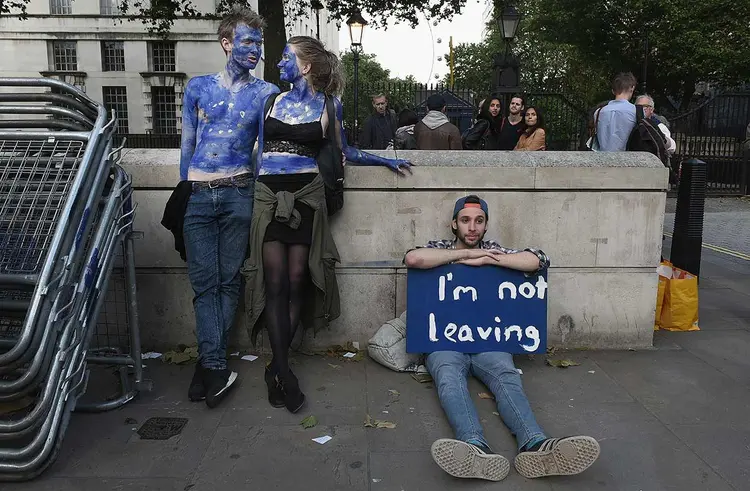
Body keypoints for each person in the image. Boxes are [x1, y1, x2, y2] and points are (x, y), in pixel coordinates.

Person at [244, 36, 412, 414]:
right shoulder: (270, 101)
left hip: (307, 195)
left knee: (297, 281)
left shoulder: (328, 105)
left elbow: (345, 151)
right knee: (274, 284)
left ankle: (276, 367)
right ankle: (284, 372)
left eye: (286, 57)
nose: (278, 64)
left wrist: (385, 161)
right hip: (269, 196)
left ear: (305, 66)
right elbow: (257, 152)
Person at [404, 195, 600, 481]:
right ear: (454, 224)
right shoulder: (439, 248)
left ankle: (536, 443)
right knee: (448, 376)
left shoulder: (494, 250)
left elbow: (538, 259)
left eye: (479, 221)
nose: (472, 227)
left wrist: (490, 259)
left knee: (506, 374)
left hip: (488, 341)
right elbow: (413, 258)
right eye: (466, 220)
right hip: (444, 342)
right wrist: (465, 256)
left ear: (485, 226)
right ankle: (473, 446)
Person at [178, 6, 279, 409]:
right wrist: (185, 189)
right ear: (227, 43)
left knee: (228, 279)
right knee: (205, 283)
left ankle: (210, 366)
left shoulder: (264, 92)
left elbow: (263, 150)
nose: (255, 50)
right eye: (247, 42)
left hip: (239, 190)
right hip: (199, 194)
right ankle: (213, 364)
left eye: (259, 43)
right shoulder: (198, 87)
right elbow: (186, 143)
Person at [595, 72, 637, 151]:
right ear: (632, 88)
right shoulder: (636, 112)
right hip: (629, 161)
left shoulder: (598, 112)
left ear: (613, 91)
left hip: (602, 160)